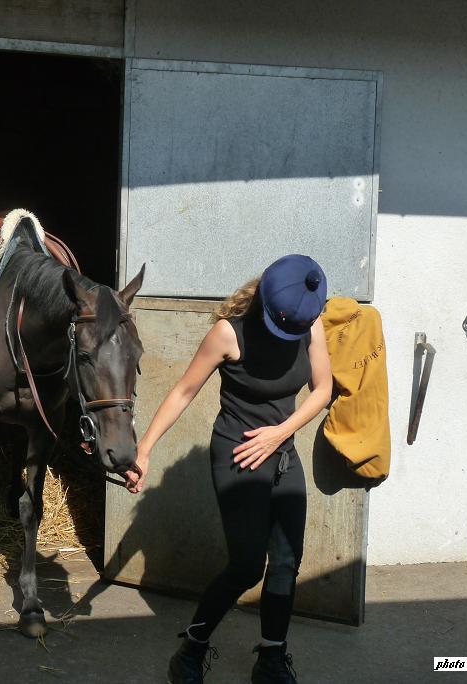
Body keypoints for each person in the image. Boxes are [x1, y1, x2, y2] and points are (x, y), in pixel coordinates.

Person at [125, 255, 333, 683]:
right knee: (246, 565)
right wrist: (144, 449)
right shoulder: (228, 333)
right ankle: (191, 649)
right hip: (237, 455)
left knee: (286, 562)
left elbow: (323, 390)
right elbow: (183, 391)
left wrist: (280, 434)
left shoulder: (309, 321)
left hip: (282, 452)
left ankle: (272, 658)